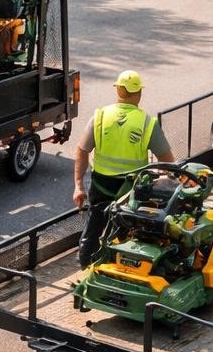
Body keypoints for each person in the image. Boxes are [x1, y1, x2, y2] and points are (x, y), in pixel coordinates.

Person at [73, 70, 176, 268]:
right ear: (139, 93)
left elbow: (82, 150)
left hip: (101, 187)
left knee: (94, 227)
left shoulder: (100, 116)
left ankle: (86, 266)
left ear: (118, 91)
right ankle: (124, 267)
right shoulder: (147, 123)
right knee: (130, 232)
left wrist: (78, 185)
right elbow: (168, 162)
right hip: (130, 193)